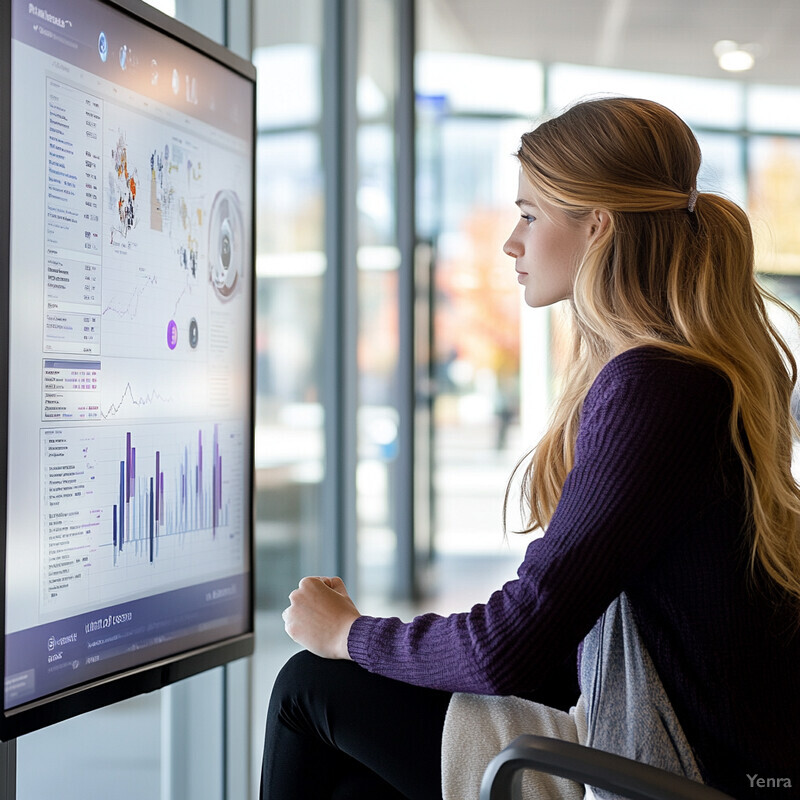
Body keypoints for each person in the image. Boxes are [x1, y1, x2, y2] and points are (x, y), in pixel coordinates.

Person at [260, 97, 800, 799]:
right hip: (688, 751)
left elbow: (510, 651)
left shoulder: (656, 387)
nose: (512, 243)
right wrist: (392, 648)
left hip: (670, 772)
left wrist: (351, 635)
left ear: (597, 227)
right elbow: (555, 648)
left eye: (530, 215)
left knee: (311, 685)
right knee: (358, 775)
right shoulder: (690, 372)